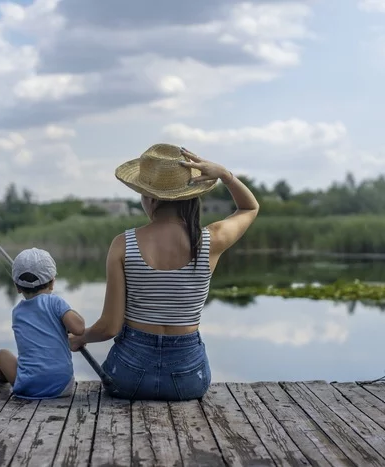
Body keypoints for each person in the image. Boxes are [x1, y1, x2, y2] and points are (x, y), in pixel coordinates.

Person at [68, 143, 260, 400]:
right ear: (190, 196)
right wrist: (225, 175)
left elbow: (109, 327)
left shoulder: (123, 244)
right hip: (190, 380)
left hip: (127, 377)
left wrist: (80, 338)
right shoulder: (211, 240)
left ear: (150, 197)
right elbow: (249, 208)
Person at [0, 247, 86, 399]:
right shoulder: (56, 302)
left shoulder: (17, 312)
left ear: (17, 287)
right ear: (52, 283)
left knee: (1, 354)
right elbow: (79, 328)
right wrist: (65, 314)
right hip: (62, 386)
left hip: (27, 387)